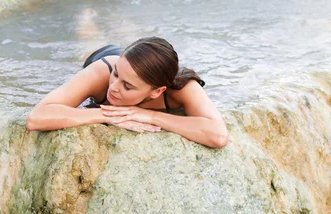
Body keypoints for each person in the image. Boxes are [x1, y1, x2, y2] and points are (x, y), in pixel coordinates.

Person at [26, 37, 229, 148]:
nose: (113, 87)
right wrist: (106, 115)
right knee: (87, 40)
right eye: (116, 76)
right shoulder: (103, 72)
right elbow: (36, 118)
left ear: (157, 92)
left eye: (127, 87)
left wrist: (149, 116)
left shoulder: (182, 87)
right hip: (109, 55)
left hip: (141, 67)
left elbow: (218, 135)